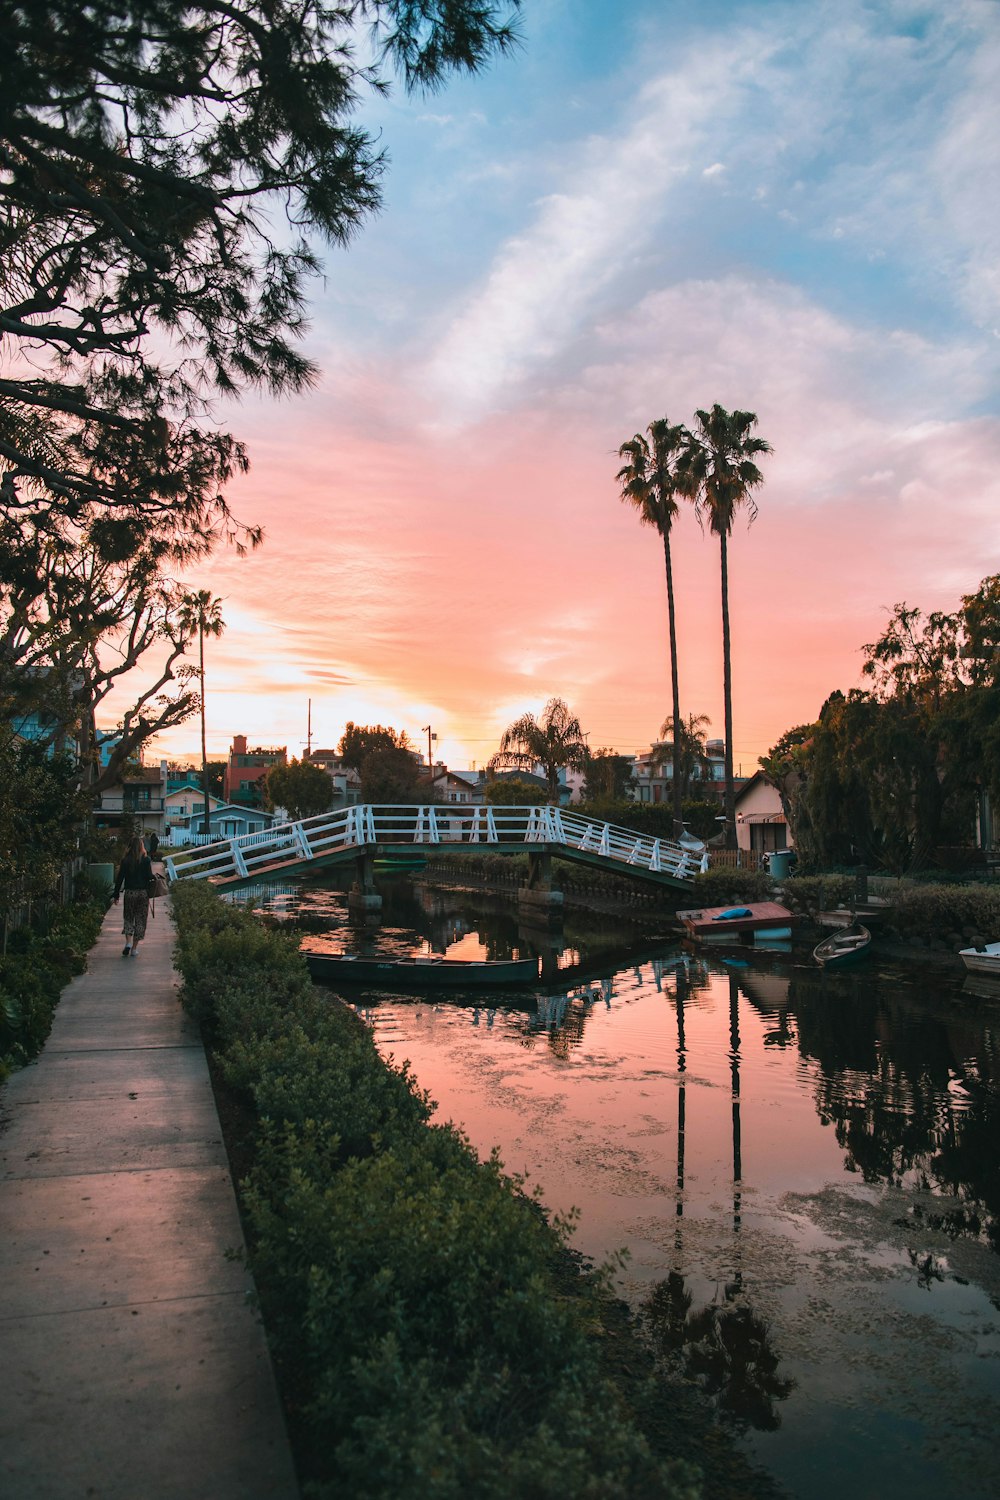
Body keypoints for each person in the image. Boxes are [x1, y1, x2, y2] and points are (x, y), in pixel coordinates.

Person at [113, 836, 153, 957]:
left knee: (129, 917)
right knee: (140, 920)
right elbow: (149, 876)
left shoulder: (126, 860)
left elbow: (120, 879)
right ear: (142, 846)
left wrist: (116, 895)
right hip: (142, 893)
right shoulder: (146, 860)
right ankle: (134, 949)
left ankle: (128, 943)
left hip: (130, 893)